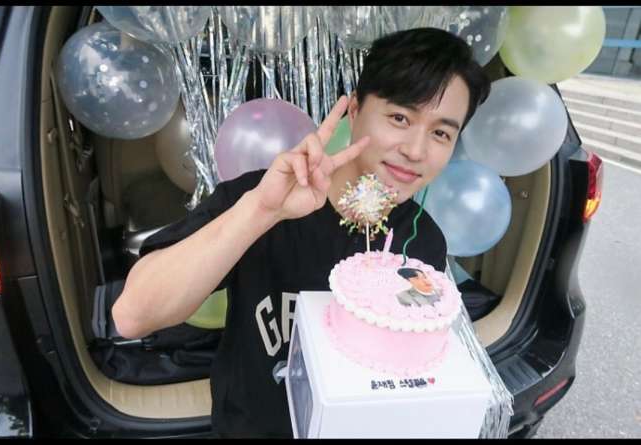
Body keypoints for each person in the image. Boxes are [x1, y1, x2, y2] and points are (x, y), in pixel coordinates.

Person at [112, 27, 491, 438]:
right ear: (354, 109)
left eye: (440, 133)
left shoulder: (424, 242)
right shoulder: (262, 196)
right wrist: (261, 212)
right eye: (400, 118)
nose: (416, 150)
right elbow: (133, 316)